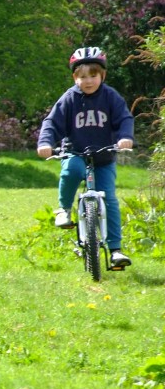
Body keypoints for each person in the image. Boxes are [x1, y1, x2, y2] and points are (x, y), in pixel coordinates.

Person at [36, 46, 134, 268]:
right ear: (74, 77)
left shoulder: (111, 97)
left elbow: (124, 119)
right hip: (75, 151)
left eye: (93, 75)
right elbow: (52, 123)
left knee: (109, 199)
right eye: (82, 76)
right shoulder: (69, 98)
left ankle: (116, 250)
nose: (88, 81)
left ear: (102, 75)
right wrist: (45, 143)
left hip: (104, 157)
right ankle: (64, 209)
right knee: (72, 171)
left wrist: (125, 137)